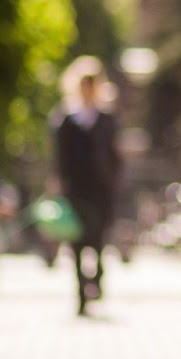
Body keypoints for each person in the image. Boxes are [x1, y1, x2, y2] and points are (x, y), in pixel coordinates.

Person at [53, 57, 121, 316]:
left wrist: (113, 177)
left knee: (100, 237)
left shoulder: (106, 119)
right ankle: (81, 292)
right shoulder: (66, 119)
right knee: (77, 241)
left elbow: (115, 153)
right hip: (75, 187)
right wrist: (58, 181)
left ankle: (98, 275)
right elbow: (59, 155)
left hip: (101, 187)